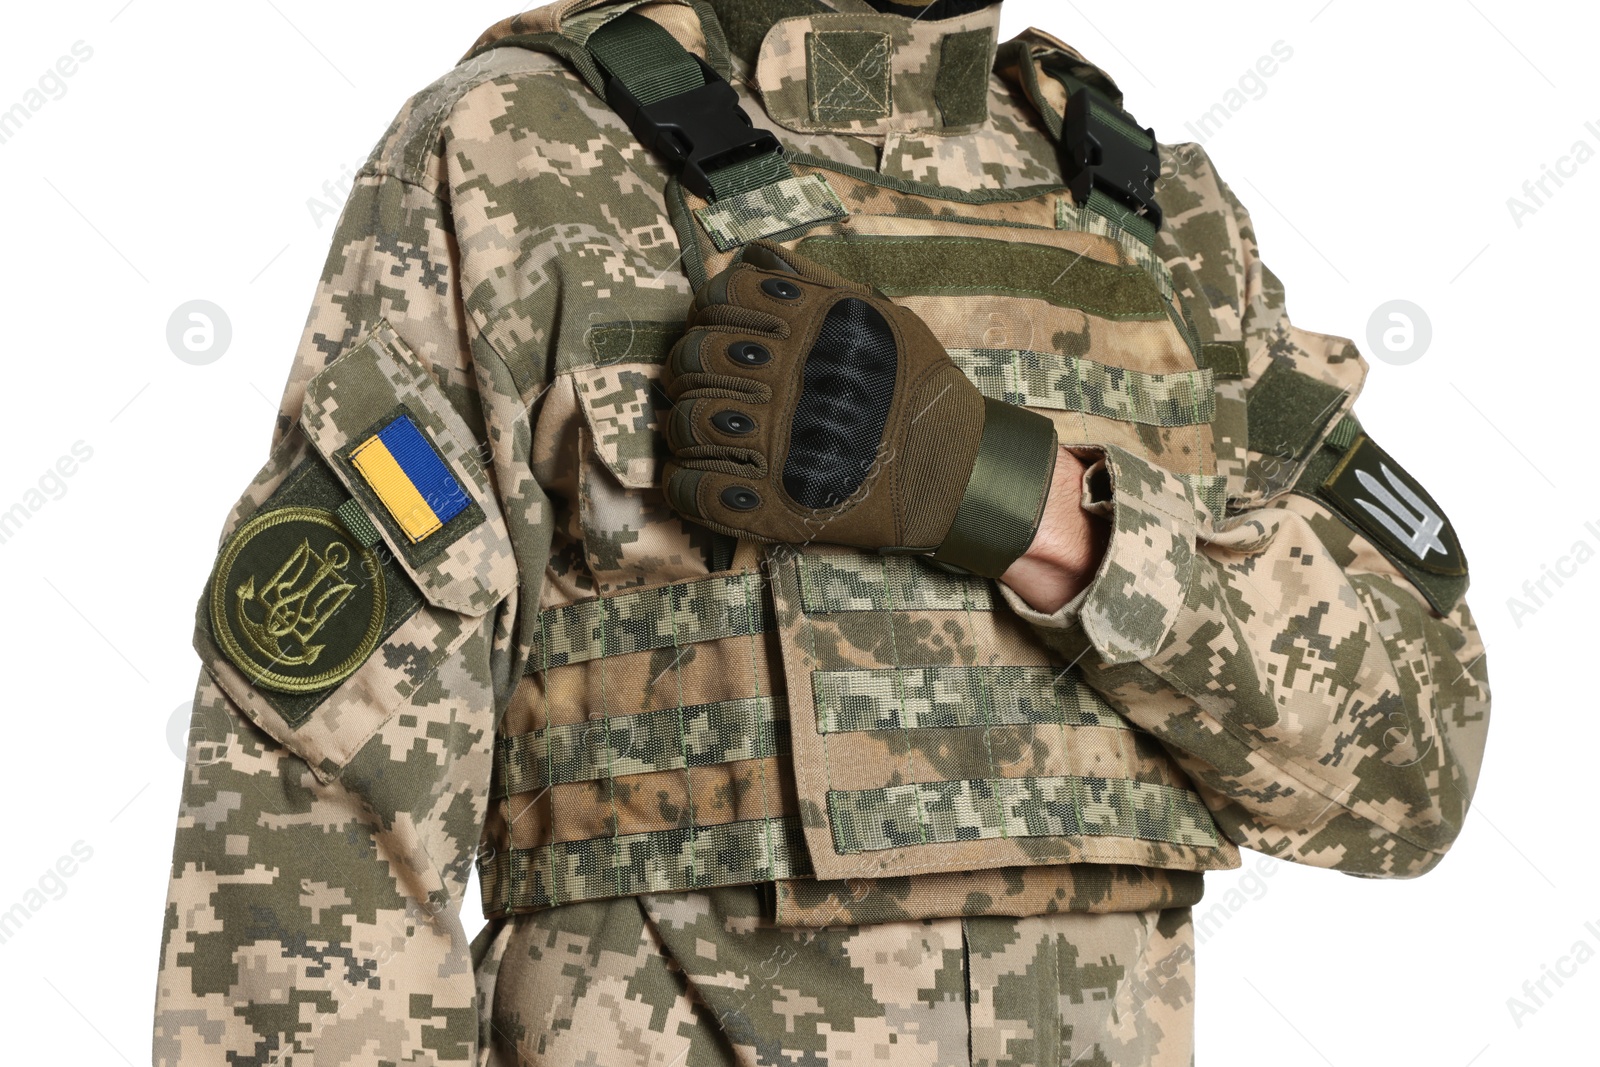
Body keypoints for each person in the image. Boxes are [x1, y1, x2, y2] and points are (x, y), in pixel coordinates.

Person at [154, 1, 1491, 1063]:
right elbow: (311, 844)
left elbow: (1415, 775)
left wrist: (1017, 500)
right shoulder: (524, 163)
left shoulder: (1163, 229)